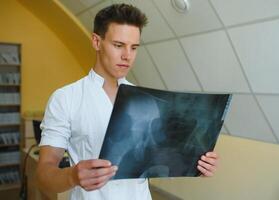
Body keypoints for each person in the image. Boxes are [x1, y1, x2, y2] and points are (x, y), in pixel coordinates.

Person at [36, 3, 219, 200]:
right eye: (118, 45)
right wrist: (72, 176)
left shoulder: (146, 101)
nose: (127, 56)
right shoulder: (65, 98)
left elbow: (160, 160)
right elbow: (44, 175)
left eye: (134, 48)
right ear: (97, 42)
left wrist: (196, 164)